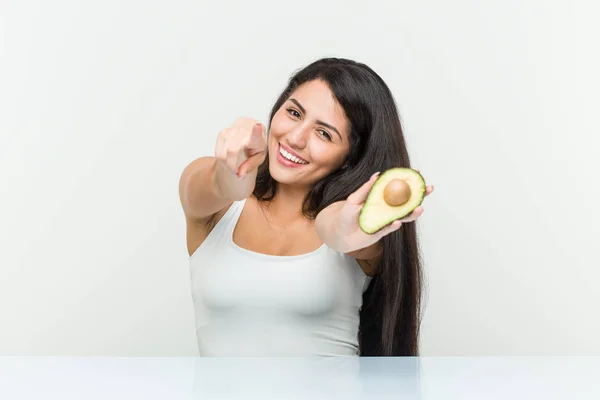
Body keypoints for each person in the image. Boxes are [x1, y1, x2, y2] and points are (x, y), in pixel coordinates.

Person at [178, 57, 434, 357]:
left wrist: (356, 226)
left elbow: (335, 228)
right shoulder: (215, 206)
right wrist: (233, 175)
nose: (295, 138)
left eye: (324, 133)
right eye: (294, 112)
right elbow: (218, 185)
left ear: (350, 157)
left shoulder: (348, 221)